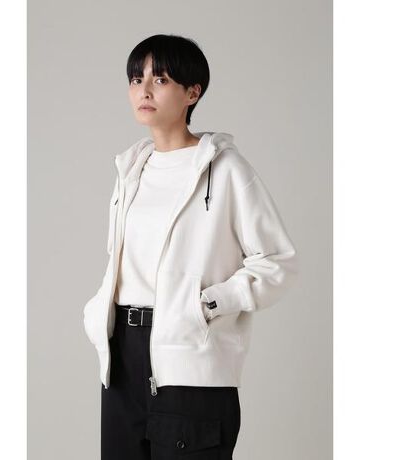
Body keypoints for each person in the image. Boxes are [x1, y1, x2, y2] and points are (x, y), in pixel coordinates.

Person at [83, 33, 299, 460]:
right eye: (136, 79)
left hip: (190, 359)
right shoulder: (131, 170)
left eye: (160, 79)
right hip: (121, 359)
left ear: (192, 92)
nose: (144, 90)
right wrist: (97, 311)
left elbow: (278, 262)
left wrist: (208, 304)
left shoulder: (226, 169)